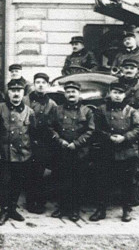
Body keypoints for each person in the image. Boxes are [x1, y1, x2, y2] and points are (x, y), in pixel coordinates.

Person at [91, 82, 139, 222]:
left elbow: (138, 128)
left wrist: (124, 137)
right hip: (107, 150)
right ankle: (101, 210)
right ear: (110, 93)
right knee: (103, 182)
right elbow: (95, 128)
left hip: (127, 151)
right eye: (115, 92)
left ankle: (126, 210)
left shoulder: (131, 111)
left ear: (124, 95)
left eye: (120, 93)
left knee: (127, 182)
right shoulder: (101, 110)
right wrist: (108, 137)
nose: (117, 96)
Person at [0, 81, 36, 226]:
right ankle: (3, 211)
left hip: (23, 154)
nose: (16, 94)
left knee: (17, 182)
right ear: (8, 93)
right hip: (4, 154)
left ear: (23, 94)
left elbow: (33, 134)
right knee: (3, 182)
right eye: (12, 90)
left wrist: (30, 153)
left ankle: (12, 209)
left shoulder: (29, 111)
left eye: (19, 91)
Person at [50, 81, 94, 222]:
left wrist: (76, 143)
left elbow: (90, 131)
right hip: (61, 151)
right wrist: (60, 141)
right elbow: (51, 128)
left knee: (77, 182)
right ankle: (62, 207)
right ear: (65, 94)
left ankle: (74, 210)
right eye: (68, 92)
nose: (71, 94)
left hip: (79, 152)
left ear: (78, 94)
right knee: (61, 179)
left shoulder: (87, 111)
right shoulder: (57, 110)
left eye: (73, 92)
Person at [25, 72, 57, 214]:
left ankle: (40, 201)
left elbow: (55, 124)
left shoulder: (52, 104)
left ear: (48, 85)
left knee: (40, 172)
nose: (40, 85)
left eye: (43, 83)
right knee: (29, 171)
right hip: (27, 139)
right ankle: (30, 201)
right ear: (33, 84)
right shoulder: (25, 100)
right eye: (38, 82)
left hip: (44, 141)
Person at [116, 58, 139, 123]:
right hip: (117, 117)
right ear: (122, 70)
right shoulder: (115, 83)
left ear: (137, 70)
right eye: (126, 68)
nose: (129, 70)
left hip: (135, 117)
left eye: (132, 68)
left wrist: (136, 113)